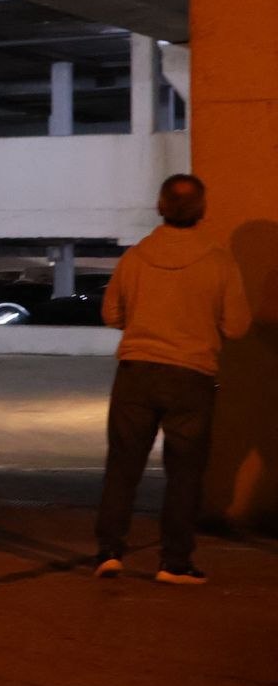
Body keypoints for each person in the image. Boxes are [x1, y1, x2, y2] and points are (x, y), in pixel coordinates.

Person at [95, 174, 250, 585]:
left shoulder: (135, 258)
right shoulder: (219, 261)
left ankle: (109, 552)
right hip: (191, 376)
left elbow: (111, 314)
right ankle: (174, 562)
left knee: (123, 466)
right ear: (202, 209)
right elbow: (236, 326)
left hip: (135, 372)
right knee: (184, 473)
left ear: (160, 207)